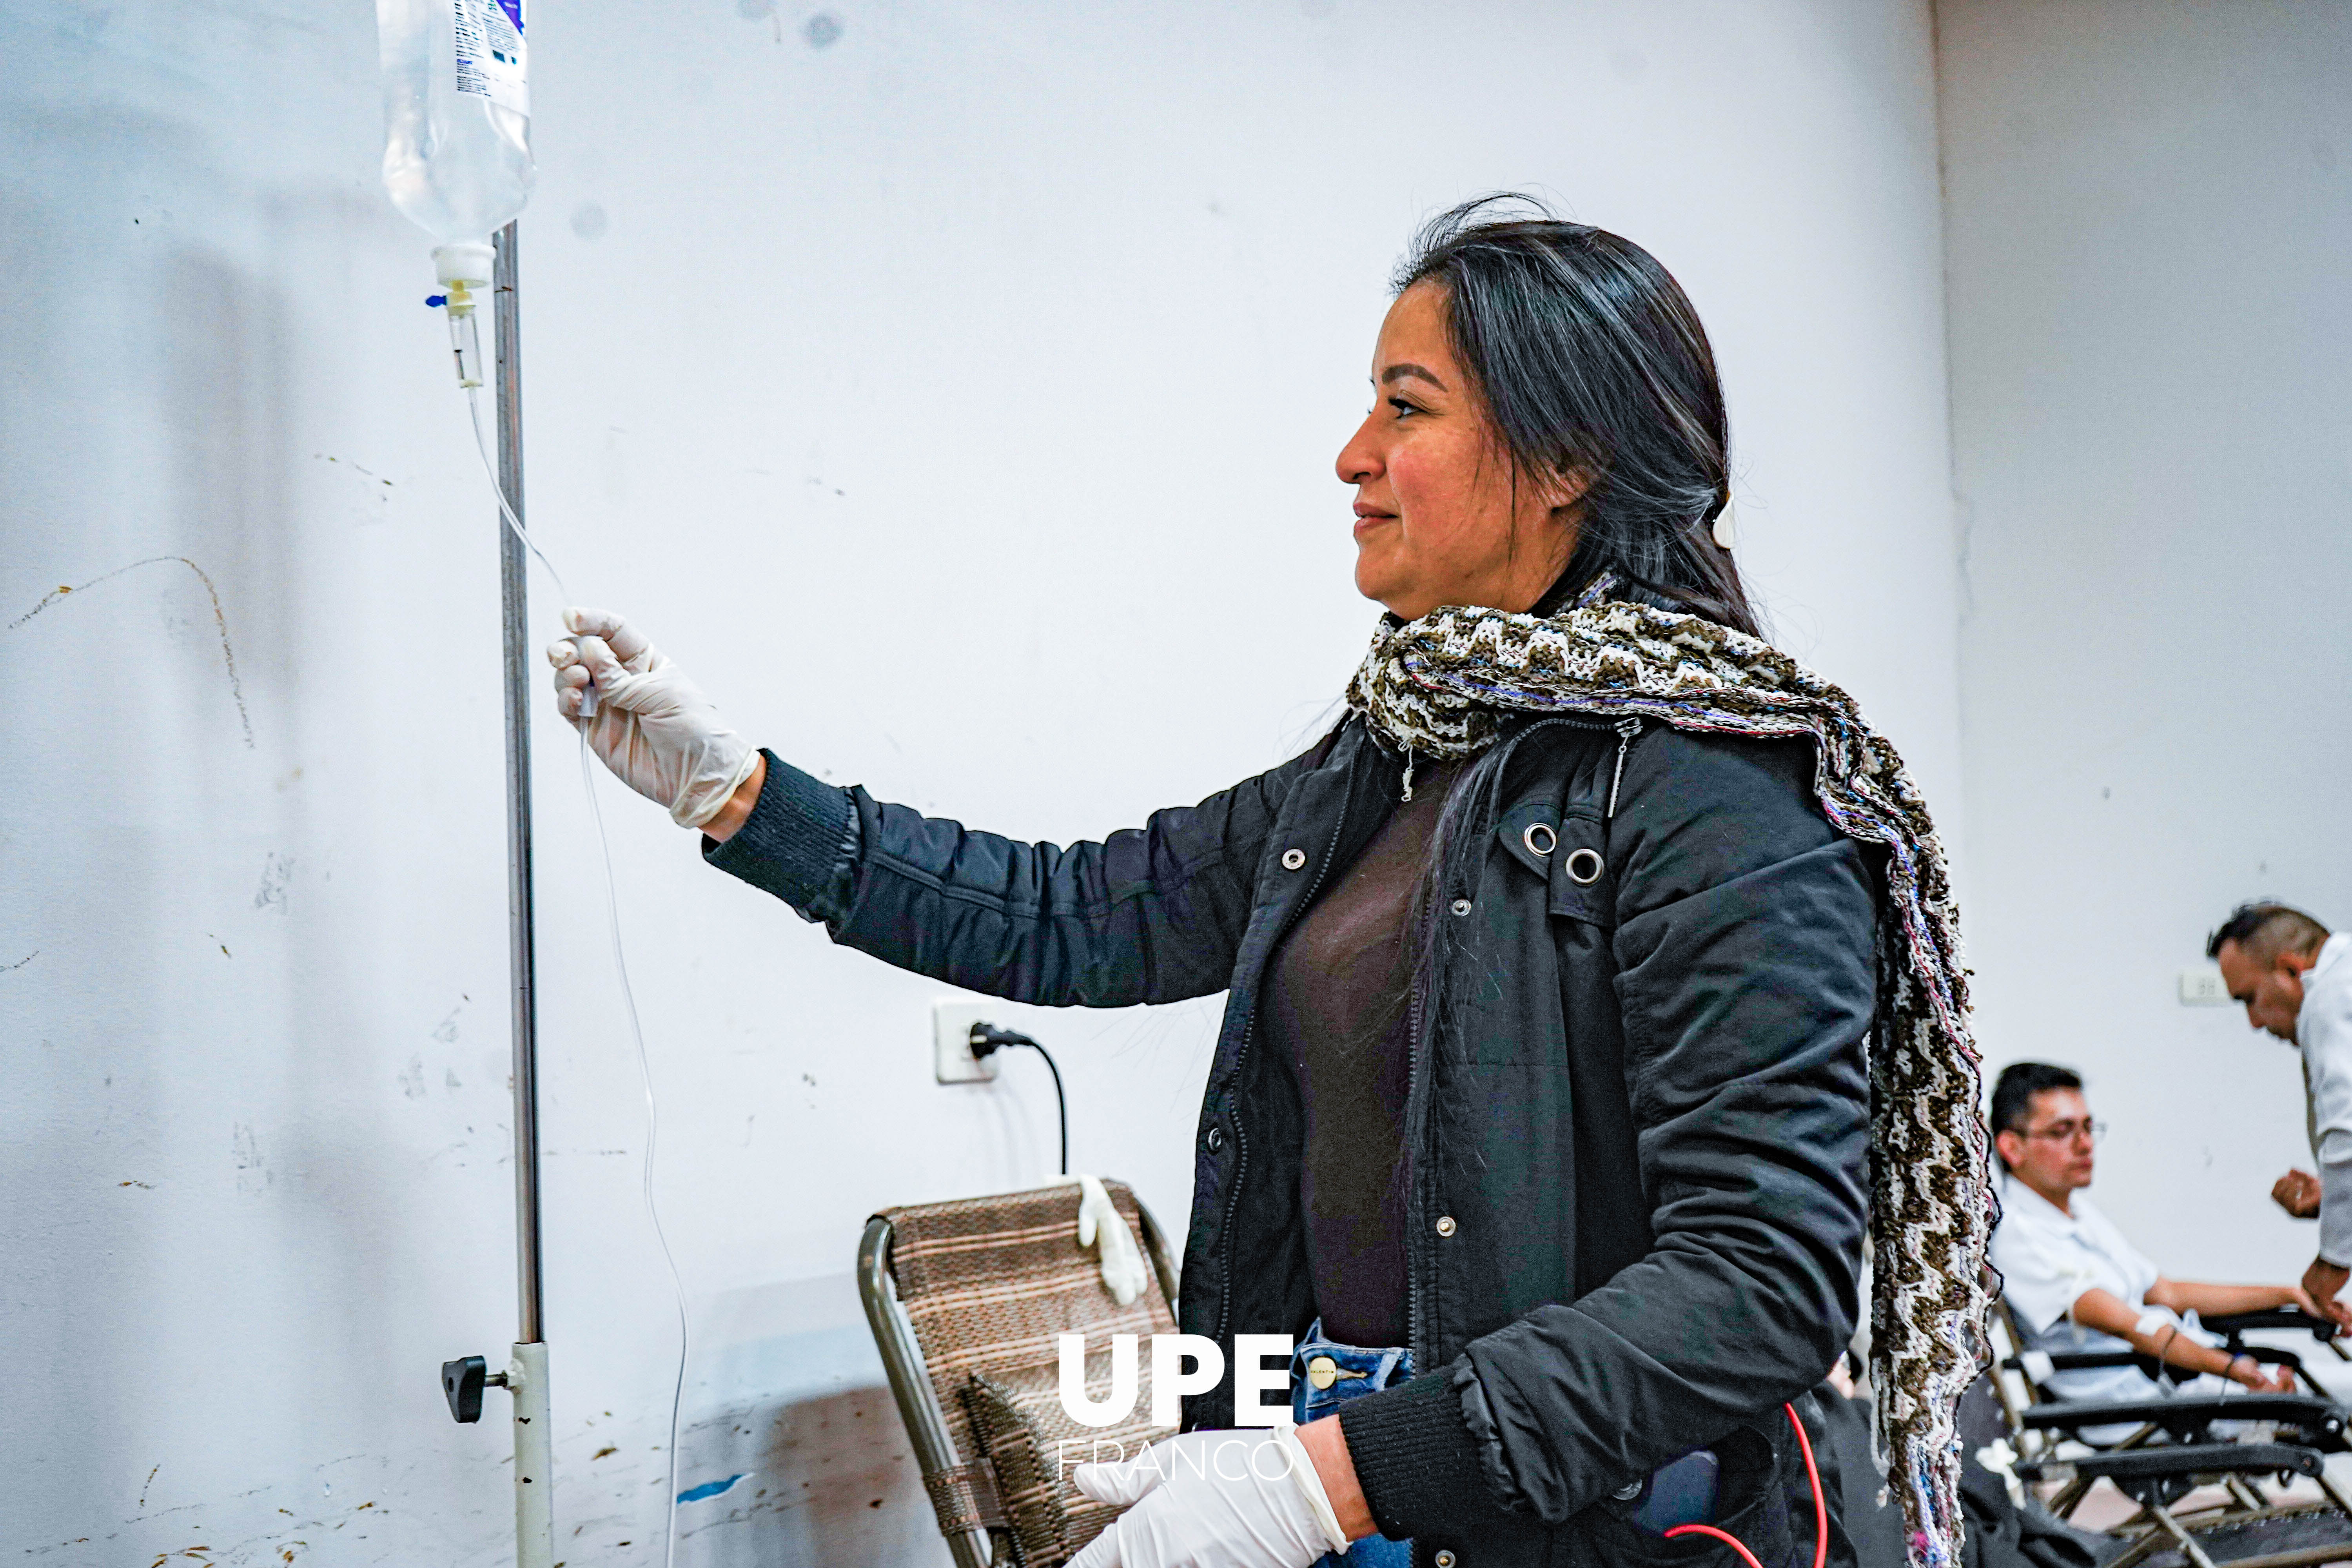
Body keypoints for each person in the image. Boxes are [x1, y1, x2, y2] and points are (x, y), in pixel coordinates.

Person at [546, 198, 1994, 1568]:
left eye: (1406, 405)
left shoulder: (1717, 787)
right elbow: (1074, 912)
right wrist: (738, 794)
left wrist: (1324, 1473)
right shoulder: (1395, 755)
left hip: (1535, 1510)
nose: (1352, 453)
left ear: (1563, 459)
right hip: (1340, 1460)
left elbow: (1758, 1284)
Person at [1987, 1062, 2307, 1411]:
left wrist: (2288, 1293)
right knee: (2325, 1400)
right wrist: (2238, 1372)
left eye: (2088, 1127)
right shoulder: (2018, 1237)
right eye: (2063, 1131)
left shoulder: (2077, 1213)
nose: (2085, 1145)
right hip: (2137, 1407)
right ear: (2012, 1147)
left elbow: (2166, 1293)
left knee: (2325, 1390)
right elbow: (2132, 1327)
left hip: (2181, 1381)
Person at [2208, 903, 2352, 1328]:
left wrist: (2333, 1261)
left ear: (2290, 969)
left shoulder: (2330, 996)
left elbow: (2347, 1137)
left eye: (2250, 998)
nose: (2254, 1022)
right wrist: (2336, 1200)